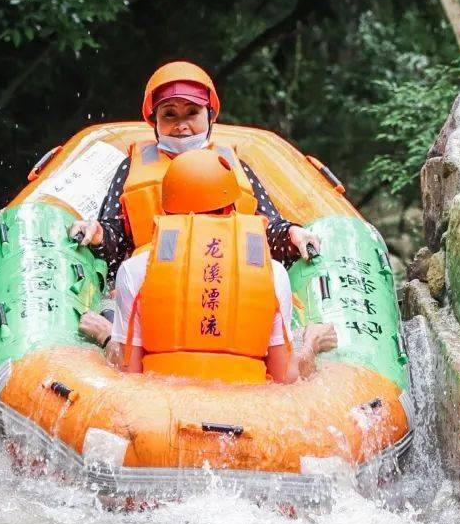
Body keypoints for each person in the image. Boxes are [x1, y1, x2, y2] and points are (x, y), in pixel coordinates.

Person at [73, 61, 321, 345]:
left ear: (210, 115)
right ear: (154, 121)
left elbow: (267, 228)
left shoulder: (234, 168)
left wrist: (292, 234)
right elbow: (115, 238)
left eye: (192, 113)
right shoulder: (133, 170)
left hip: (226, 283)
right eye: (169, 115)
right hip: (150, 284)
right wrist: (98, 234)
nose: (181, 125)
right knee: (114, 316)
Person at [103, 148, 337, 385]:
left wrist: (104, 336)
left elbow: (128, 373)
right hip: (248, 410)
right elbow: (285, 378)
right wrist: (311, 344)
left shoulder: (134, 270)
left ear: (166, 211)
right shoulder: (272, 272)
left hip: (165, 406)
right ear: (231, 208)